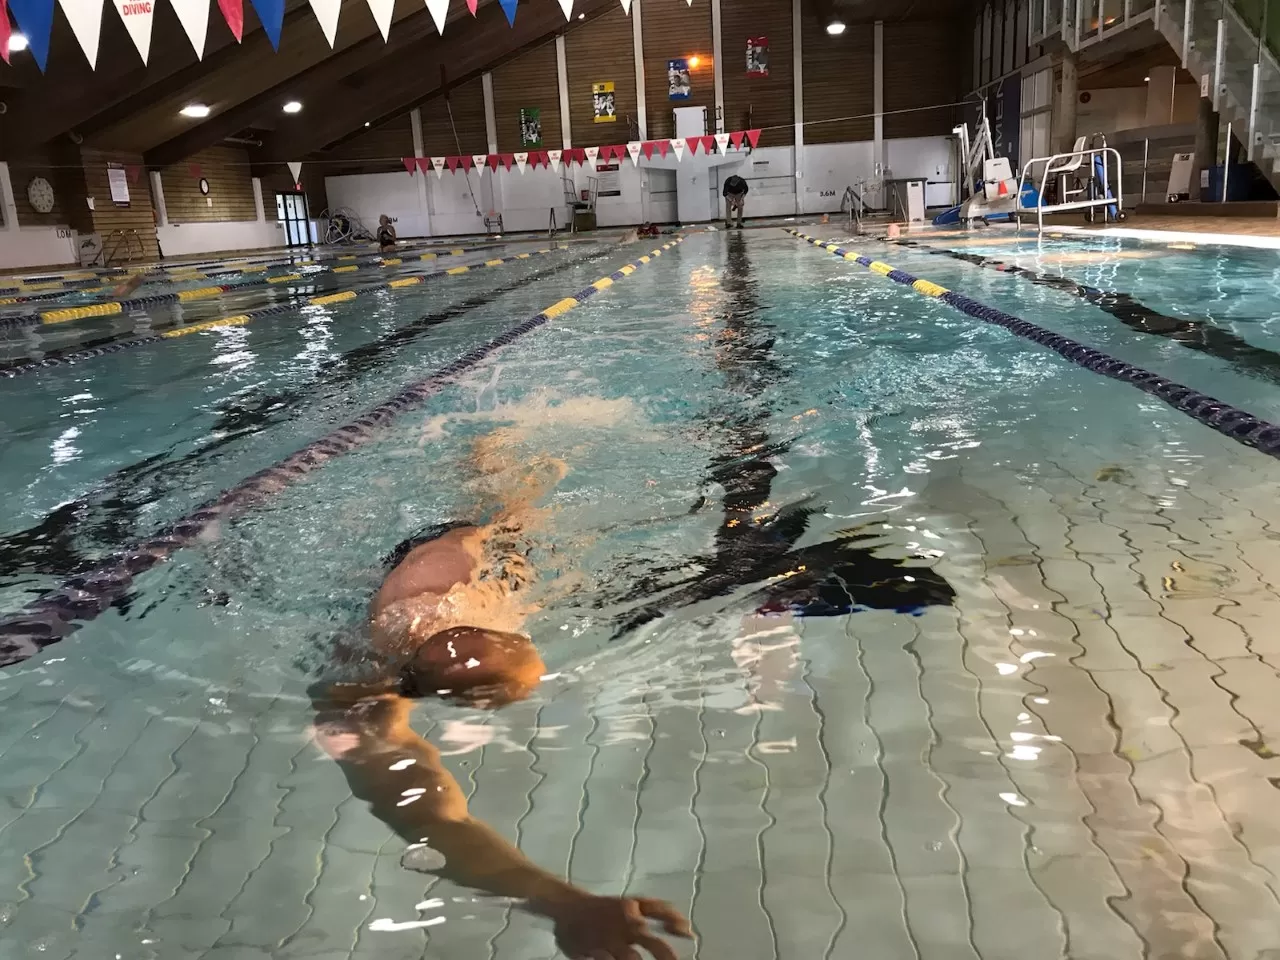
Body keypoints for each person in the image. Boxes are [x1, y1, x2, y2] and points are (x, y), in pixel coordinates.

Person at [309, 428, 692, 960]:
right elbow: (434, 820)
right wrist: (562, 904)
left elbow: (432, 820)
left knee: (503, 506)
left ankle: (486, 448)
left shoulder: (464, 580)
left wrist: (566, 905)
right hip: (440, 552)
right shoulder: (361, 685)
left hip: (465, 548)